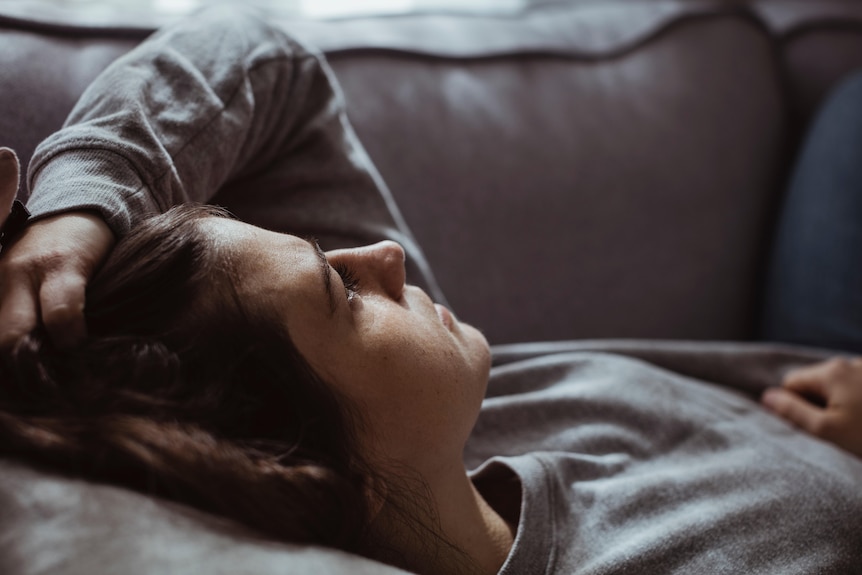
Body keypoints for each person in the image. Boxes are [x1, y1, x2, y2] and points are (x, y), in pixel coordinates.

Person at [0, 6, 860, 575]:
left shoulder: (444, 421)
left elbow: (267, 58)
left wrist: (83, 207)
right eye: (341, 296)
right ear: (303, 467)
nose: (380, 256)